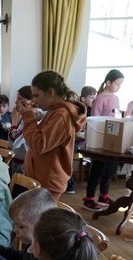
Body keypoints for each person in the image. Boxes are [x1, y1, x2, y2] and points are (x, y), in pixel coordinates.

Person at [20, 71, 88, 201]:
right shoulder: (55, 111)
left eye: (37, 95)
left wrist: (28, 117)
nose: (34, 100)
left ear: (50, 92)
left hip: (47, 182)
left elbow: (40, 144)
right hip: (41, 179)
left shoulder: (62, 115)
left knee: (39, 220)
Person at [82, 69, 124, 211]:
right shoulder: (100, 98)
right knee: (97, 170)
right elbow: (95, 120)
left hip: (112, 138)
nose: (119, 87)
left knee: (110, 169)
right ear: (108, 82)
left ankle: (104, 195)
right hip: (100, 140)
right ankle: (89, 198)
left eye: (121, 85)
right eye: (117, 84)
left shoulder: (116, 98)